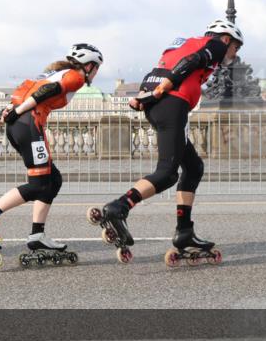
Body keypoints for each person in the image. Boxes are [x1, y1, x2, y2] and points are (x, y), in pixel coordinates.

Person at [93, 19, 243, 265]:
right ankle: (119, 207)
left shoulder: (181, 44)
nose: (234, 54)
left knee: (193, 167)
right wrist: (169, 85)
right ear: (226, 38)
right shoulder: (215, 45)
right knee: (167, 173)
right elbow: (191, 63)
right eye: (236, 47)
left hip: (158, 104)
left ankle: (184, 232)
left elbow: (156, 71)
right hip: (173, 104)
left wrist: (144, 97)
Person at [0, 44, 103, 269]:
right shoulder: (75, 76)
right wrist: (17, 111)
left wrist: (10, 109)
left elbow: (27, 90)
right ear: (89, 65)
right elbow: (45, 92)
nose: (96, 73)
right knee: (38, 185)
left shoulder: (54, 71)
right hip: (29, 125)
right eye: (97, 68)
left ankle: (37, 236)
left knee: (53, 180)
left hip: (19, 126)